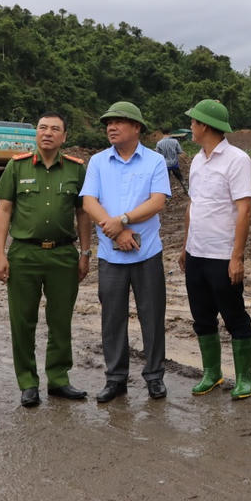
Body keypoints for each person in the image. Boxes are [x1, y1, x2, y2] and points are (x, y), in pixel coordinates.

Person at [0, 112, 92, 407]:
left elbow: (83, 213)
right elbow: (4, 210)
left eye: (54, 129)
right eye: (42, 128)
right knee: (23, 321)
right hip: (24, 254)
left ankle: (59, 379)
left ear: (64, 137)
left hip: (63, 254)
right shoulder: (16, 166)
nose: (47, 133)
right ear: (36, 133)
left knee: (61, 320)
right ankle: (27, 382)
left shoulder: (76, 169)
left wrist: (85, 253)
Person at [80, 102, 171, 402]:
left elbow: (157, 201)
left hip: (147, 254)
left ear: (137, 128)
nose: (111, 127)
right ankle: (116, 379)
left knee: (152, 316)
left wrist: (124, 220)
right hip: (110, 254)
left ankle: (154, 376)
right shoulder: (97, 162)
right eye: (108, 122)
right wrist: (117, 230)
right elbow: (89, 202)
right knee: (112, 318)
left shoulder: (155, 161)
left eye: (119, 122)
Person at [180, 100, 251, 399]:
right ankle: (212, 373)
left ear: (206, 126)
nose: (191, 128)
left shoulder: (237, 159)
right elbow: (192, 205)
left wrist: (237, 256)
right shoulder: (197, 160)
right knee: (202, 316)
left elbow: (245, 210)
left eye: (194, 123)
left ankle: (245, 378)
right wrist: (186, 246)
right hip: (197, 253)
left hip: (222, 255)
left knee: (235, 316)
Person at [155, 129, 187, 195]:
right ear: (169, 133)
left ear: (162, 133)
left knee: (166, 181)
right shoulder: (175, 141)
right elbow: (179, 151)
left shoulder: (159, 143)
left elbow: (157, 155)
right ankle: (187, 190)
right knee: (180, 178)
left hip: (165, 165)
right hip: (175, 164)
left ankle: (166, 195)